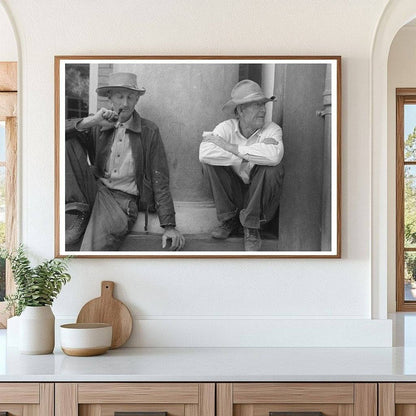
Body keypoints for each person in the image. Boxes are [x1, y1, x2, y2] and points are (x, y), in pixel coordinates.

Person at [65, 72, 185, 251]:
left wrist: (169, 225)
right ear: (109, 97)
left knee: (91, 251)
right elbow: (56, 132)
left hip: (121, 202)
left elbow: (159, 178)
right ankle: (79, 211)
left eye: (131, 97)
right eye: (120, 96)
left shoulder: (149, 131)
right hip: (94, 189)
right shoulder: (97, 124)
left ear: (137, 99)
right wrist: (92, 121)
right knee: (68, 140)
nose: (125, 103)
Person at [199, 79, 284, 251]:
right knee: (210, 164)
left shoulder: (272, 129)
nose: (263, 110)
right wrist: (249, 155)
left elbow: (274, 156)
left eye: (263, 105)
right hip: (234, 194)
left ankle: (251, 226)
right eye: (256, 105)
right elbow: (205, 153)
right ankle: (229, 219)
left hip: (259, 200)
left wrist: (232, 148)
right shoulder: (225, 128)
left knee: (273, 168)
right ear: (240, 111)